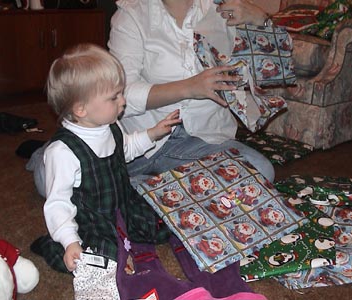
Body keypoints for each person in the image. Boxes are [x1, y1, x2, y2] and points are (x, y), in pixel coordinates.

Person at [30, 43, 181, 298]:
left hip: (122, 204)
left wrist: (153, 133)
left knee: (160, 225)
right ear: (81, 109)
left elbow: (126, 148)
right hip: (92, 220)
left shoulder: (110, 125)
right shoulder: (62, 151)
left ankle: (123, 236)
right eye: (114, 97)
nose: (123, 102)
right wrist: (70, 241)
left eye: (121, 93)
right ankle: (52, 244)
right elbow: (57, 203)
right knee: (102, 261)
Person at [107, 0, 275, 185]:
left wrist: (260, 18)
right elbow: (121, 96)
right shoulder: (132, 14)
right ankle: (163, 191)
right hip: (143, 144)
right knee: (238, 184)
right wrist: (190, 87)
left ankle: (146, 191)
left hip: (205, 139)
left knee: (260, 171)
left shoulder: (222, 7)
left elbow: (269, 74)